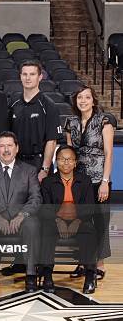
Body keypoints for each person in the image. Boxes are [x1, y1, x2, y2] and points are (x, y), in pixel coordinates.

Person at [3, 59, 61, 276]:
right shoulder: (13, 104)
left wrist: (45, 168)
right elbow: (7, 139)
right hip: (17, 166)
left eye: (31, 74)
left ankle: (39, 263)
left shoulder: (49, 105)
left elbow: (51, 140)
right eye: (24, 74)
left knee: (38, 215)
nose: (27, 78)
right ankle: (20, 261)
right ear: (20, 77)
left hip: (38, 164)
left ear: (40, 77)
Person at [0, 131, 42, 292]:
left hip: (22, 219)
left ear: (17, 148)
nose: (6, 150)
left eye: (9, 146)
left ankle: (31, 275)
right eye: (2, 146)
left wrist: (21, 216)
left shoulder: (29, 170)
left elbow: (35, 198)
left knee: (32, 225)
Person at [65, 85, 115, 281]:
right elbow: (68, 153)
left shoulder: (104, 121)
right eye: (80, 98)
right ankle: (83, 261)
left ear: (93, 100)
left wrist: (105, 181)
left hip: (98, 180)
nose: (83, 101)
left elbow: (109, 153)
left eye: (87, 97)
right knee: (81, 221)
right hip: (79, 180)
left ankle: (99, 264)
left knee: (100, 222)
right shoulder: (71, 122)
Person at [40, 145, 98, 294]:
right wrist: (58, 221)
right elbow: (46, 208)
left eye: (69, 159)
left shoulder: (85, 181)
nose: (65, 163)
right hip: (55, 221)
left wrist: (76, 222)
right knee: (45, 231)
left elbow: (89, 208)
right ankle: (47, 275)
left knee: (89, 231)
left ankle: (90, 276)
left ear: (75, 162)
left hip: (79, 221)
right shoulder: (48, 182)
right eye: (61, 159)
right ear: (56, 162)